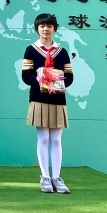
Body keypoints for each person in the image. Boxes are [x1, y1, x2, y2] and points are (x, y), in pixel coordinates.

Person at [22, 13, 74, 194]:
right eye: (42, 26)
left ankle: (57, 177)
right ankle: (45, 177)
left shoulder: (62, 51)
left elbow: (69, 76)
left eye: (49, 26)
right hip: (39, 98)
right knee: (43, 138)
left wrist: (60, 84)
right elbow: (26, 75)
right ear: (37, 29)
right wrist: (41, 80)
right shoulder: (31, 50)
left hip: (58, 99)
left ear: (54, 29)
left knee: (56, 139)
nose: (46, 29)